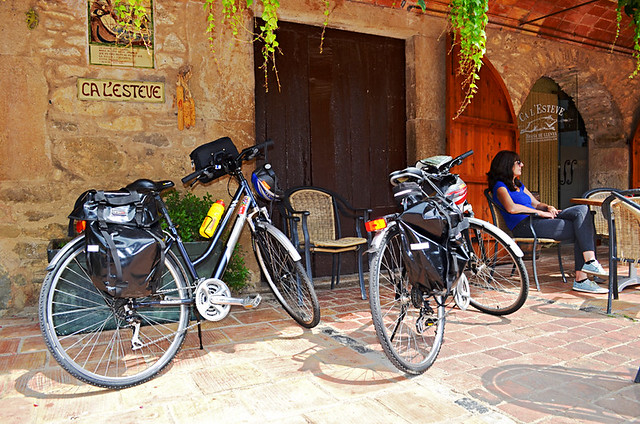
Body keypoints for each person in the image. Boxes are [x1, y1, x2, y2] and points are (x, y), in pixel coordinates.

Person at [487, 150, 608, 294]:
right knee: (581, 228)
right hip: (525, 225)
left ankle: (589, 263)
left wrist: (548, 207)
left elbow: (536, 203)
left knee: (581, 210)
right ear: (507, 165)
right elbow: (511, 208)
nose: (522, 165)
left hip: (536, 220)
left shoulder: (519, 184)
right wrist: (539, 212)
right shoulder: (500, 186)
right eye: (518, 162)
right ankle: (582, 277)